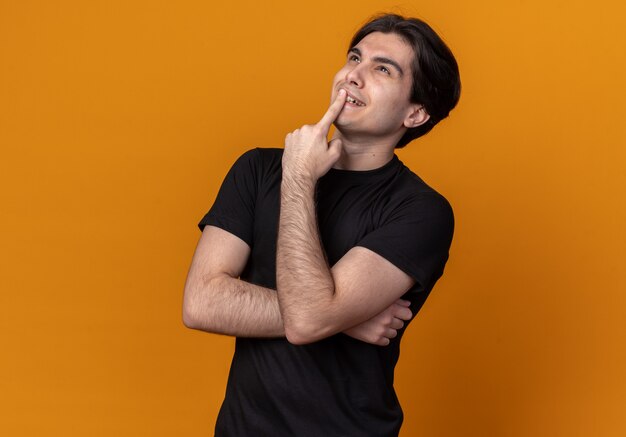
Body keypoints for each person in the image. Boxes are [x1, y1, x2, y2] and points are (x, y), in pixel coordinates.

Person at [183, 13, 461, 437]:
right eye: (354, 57)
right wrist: (345, 317)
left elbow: (308, 321)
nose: (354, 75)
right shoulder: (258, 170)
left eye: (382, 68)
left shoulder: (421, 211)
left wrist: (297, 176)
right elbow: (200, 303)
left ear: (416, 113)